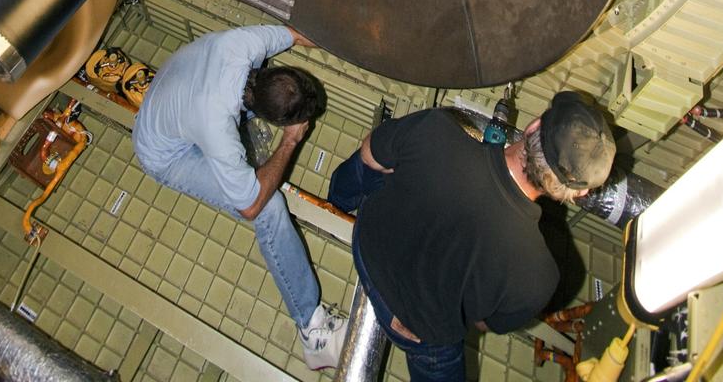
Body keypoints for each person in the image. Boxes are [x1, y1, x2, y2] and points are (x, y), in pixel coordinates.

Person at [328, 90, 616, 382]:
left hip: (366, 247)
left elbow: (370, 154)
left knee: (376, 159)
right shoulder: (538, 278)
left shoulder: (434, 129)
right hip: (414, 330)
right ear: (577, 194)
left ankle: (336, 198)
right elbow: (481, 322)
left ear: (533, 126)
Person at [132, 24, 347, 370]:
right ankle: (313, 331)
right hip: (164, 152)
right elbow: (250, 206)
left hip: (177, 92)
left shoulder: (242, 45)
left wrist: (341, 45)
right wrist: (290, 141)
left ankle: (246, 170)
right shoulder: (216, 124)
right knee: (269, 208)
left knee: (248, 172)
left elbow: (295, 33)